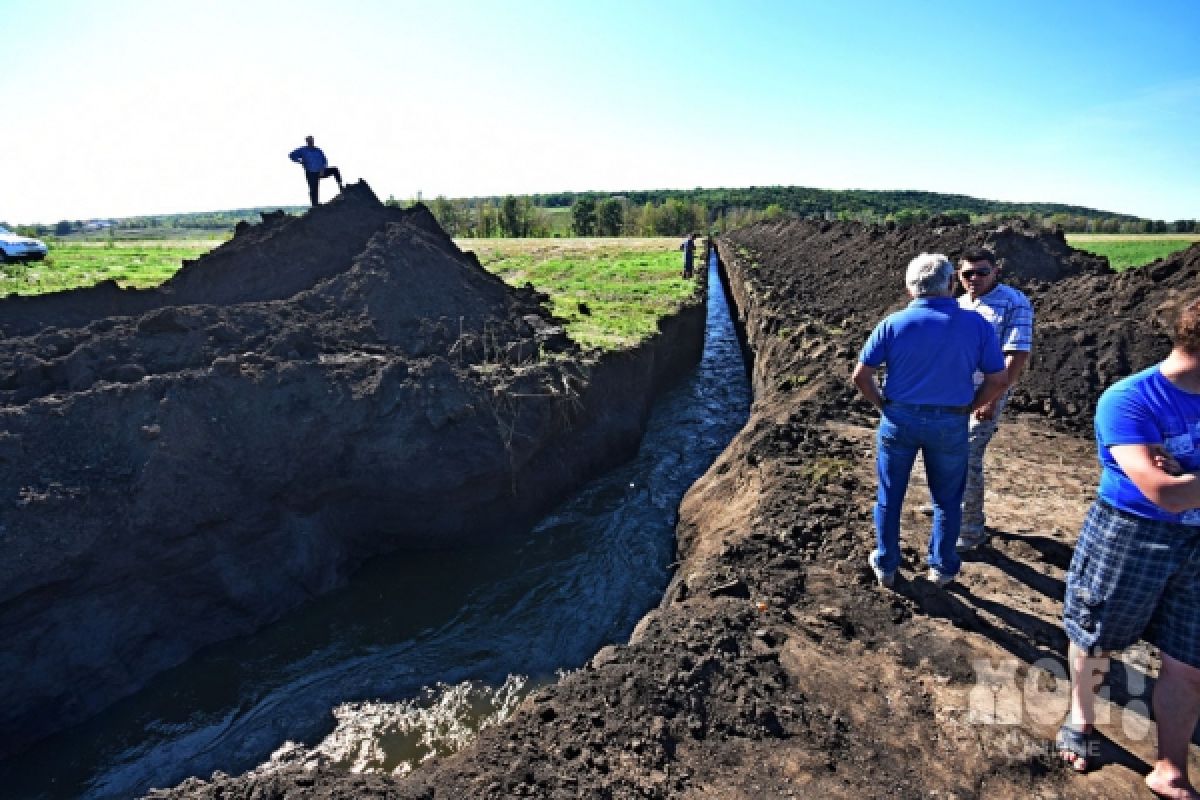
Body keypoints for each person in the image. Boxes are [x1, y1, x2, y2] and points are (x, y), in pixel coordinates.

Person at [1058, 296, 1200, 799]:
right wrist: (1177, 484)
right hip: (1132, 534)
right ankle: (1081, 716)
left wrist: (1188, 479)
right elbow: (1163, 493)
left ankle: (1170, 766)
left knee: (1190, 658)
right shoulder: (1131, 398)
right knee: (1098, 633)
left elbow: (1183, 488)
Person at [851, 253, 1008, 589]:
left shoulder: (892, 324)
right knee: (948, 499)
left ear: (910, 289)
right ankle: (941, 568)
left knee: (889, 496)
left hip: (899, 418)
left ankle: (886, 565)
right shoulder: (977, 325)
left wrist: (884, 406)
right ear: (951, 284)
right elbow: (998, 379)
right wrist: (970, 407)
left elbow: (861, 376)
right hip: (950, 422)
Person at [954, 247, 1034, 550]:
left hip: (986, 392)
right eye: (967, 273)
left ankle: (970, 531)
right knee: (946, 451)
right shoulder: (960, 304)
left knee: (968, 457)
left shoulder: (1014, 303)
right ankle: (952, 508)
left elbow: (1017, 354)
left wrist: (991, 399)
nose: (974, 278)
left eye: (982, 272)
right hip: (955, 392)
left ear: (995, 271)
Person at [289, 136, 344, 207]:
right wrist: (300, 161)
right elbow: (291, 155)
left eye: (312, 140)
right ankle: (315, 205)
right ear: (307, 142)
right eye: (309, 141)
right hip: (310, 172)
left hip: (321, 171)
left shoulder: (318, 150)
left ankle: (341, 187)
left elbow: (324, 160)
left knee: (334, 169)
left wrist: (323, 168)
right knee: (313, 188)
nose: (311, 142)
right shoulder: (302, 150)